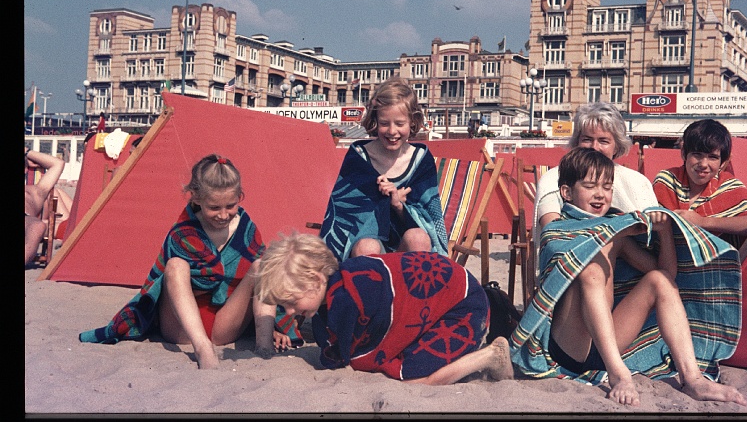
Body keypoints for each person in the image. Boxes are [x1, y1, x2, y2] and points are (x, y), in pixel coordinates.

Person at [510, 148, 746, 406]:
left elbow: (667, 274)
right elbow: (559, 271)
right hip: (569, 347)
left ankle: (693, 379)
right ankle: (619, 374)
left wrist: (665, 230)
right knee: (590, 269)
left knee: (658, 280)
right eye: (590, 186)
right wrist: (615, 231)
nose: (600, 194)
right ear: (567, 193)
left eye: (607, 187)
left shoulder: (616, 231)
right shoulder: (558, 230)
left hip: (606, 345)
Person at [79, 154, 301, 369]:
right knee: (175, 266)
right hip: (181, 327)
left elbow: (263, 285)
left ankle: (263, 346)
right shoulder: (183, 232)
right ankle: (203, 348)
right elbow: (156, 287)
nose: (224, 215)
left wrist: (276, 326)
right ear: (196, 198)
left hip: (224, 323)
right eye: (214, 208)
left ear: (239, 196)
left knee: (262, 266)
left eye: (230, 206)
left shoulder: (246, 228)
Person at [253, 232, 514, 384]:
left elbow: (345, 356)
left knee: (414, 377)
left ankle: (491, 356)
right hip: (453, 289)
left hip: (461, 305)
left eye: (291, 302)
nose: (288, 311)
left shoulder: (345, 299)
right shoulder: (337, 286)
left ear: (316, 280)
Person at [319, 77, 447, 261]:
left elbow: (430, 220)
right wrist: (381, 200)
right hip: (366, 247)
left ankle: (414, 289)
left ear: (412, 122)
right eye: (384, 123)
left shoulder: (420, 161)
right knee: (366, 245)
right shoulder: (359, 157)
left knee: (417, 237)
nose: (392, 131)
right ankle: (371, 288)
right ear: (375, 121)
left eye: (400, 124)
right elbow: (343, 213)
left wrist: (398, 206)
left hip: (405, 252)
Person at [535, 102, 658, 238]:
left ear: (616, 146)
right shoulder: (554, 177)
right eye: (587, 139)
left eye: (603, 141)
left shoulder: (637, 181)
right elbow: (553, 232)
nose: (594, 147)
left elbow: (653, 231)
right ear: (577, 142)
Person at [653, 119, 747, 248]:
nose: (703, 164)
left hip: (718, 265)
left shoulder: (728, 186)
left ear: (723, 162)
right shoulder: (667, 180)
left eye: (713, 157)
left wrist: (704, 222)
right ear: (684, 153)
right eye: (697, 155)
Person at [25, 148, 66, 265]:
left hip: (26, 219)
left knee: (38, 226)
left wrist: (26, 152)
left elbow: (58, 163)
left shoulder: (36, 191)